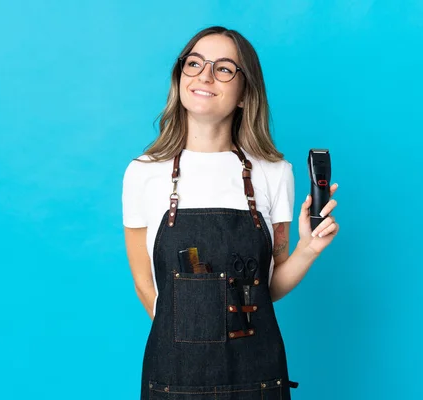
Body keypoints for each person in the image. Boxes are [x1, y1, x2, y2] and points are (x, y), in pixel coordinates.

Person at [122, 25, 339, 400]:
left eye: (223, 68)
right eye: (194, 63)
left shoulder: (274, 173)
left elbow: (268, 288)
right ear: (180, 77)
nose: (204, 75)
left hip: (257, 378)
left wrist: (308, 250)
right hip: (174, 378)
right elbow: (145, 284)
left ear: (244, 94)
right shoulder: (143, 172)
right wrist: (192, 336)